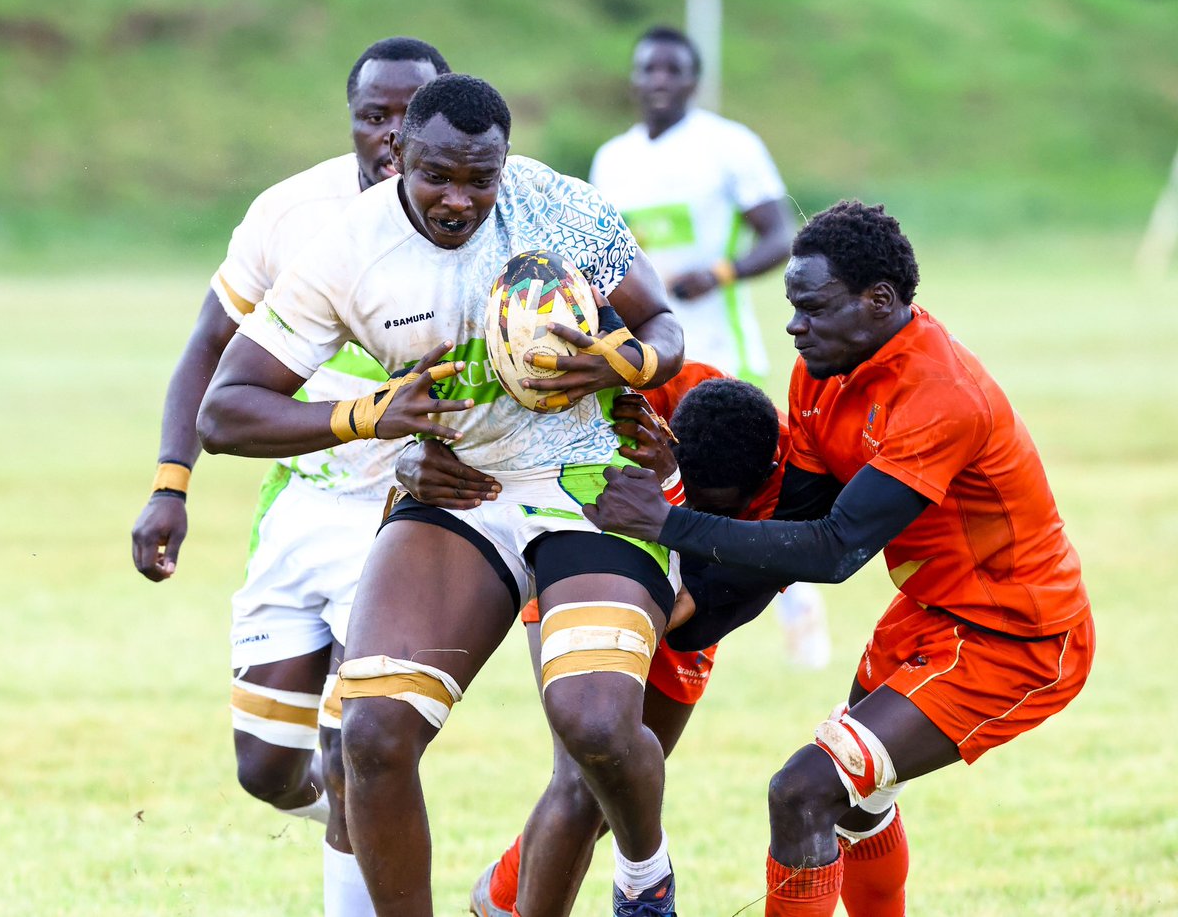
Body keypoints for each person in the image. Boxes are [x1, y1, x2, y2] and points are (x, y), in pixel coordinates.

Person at [197, 74, 688, 917]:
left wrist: (625, 363)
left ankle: (645, 876)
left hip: (588, 484)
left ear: (505, 164)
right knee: (373, 735)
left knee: (597, 723)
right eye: (437, 176)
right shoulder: (347, 250)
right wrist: (368, 417)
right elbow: (225, 410)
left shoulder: (561, 204)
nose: (459, 198)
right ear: (396, 155)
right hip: (459, 489)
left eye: (480, 178)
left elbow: (665, 326)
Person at [585, 201, 1095, 916]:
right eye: (792, 307)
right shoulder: (821, 371)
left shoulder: (940, 397)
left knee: (804, 791)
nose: (795, 326)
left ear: (878, 300)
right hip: (925, 615)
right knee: (857, 806)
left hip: (1016, 634)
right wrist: (696, 606)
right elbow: (796, 520)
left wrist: (669, 522)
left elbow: (832, 550)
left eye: (812, 308)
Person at [129, 37, 450, 917]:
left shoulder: (469, 219)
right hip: (304, 499)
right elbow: (208, 347)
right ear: (350, 121)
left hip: (407, 513)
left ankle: (367, 834)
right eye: (372, 116)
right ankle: (373, 834)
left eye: (407, 117)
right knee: (267, 770)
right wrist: (170, 482)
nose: (389, 134)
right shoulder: (290, 212)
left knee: (358, 752)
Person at [405, 366, 788, 917]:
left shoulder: (787, 471)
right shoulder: (641, 393)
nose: (705, 509)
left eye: (719, 507)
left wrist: (680, 515)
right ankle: (528, 900)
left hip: (701, 589)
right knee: (584, 772)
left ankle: (502, 893)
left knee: (615, 789)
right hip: (581, 551)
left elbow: (720, 603)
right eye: (693, 493)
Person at [591, 26, 831, 671]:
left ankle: (798, 618)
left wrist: (721, 273)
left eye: (673, 70)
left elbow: (780, 234)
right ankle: (668, 617)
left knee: (766, 494)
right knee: (666, 484)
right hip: (652, 357)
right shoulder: (612, 159)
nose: (660, 80)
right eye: (649, 69)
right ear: (635, 79)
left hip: (726, 357)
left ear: (692, 80)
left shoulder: (729, 146)